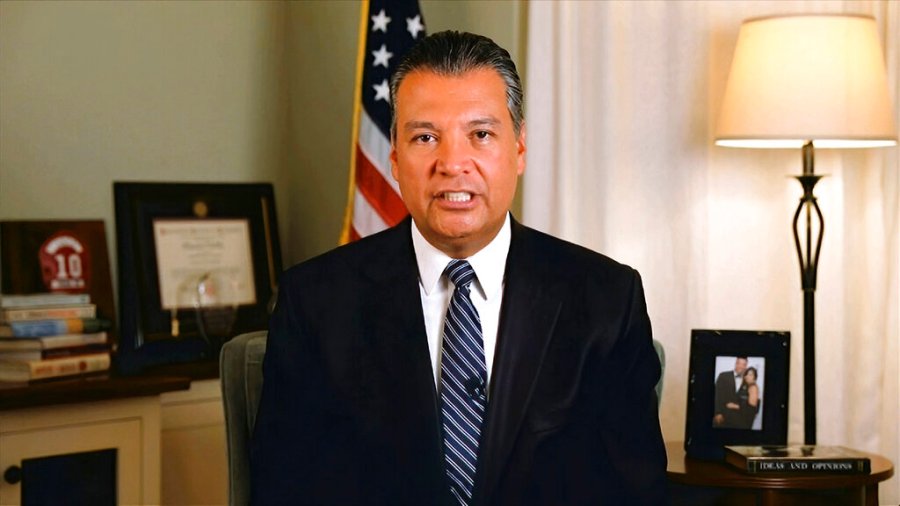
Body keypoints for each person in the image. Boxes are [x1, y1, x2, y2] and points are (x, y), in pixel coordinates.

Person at [251, 30, 668, 506]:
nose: (452, 164)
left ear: (520, 148)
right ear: (393, 156)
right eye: (426, 137)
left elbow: (635, 494)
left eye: (481, 134)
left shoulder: (606, 300)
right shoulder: (316, 301)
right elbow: (285, 490)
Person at [713, 356, 747, 429]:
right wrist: (717, 413)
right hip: (722, 417)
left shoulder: (748, 380)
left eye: (744, 364)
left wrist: (738, 407)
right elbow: (716, 394)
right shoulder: (723, 376)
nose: (741, 366)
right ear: (736, 364)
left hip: (739, 422)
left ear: (746, 366)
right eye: (739, 363)